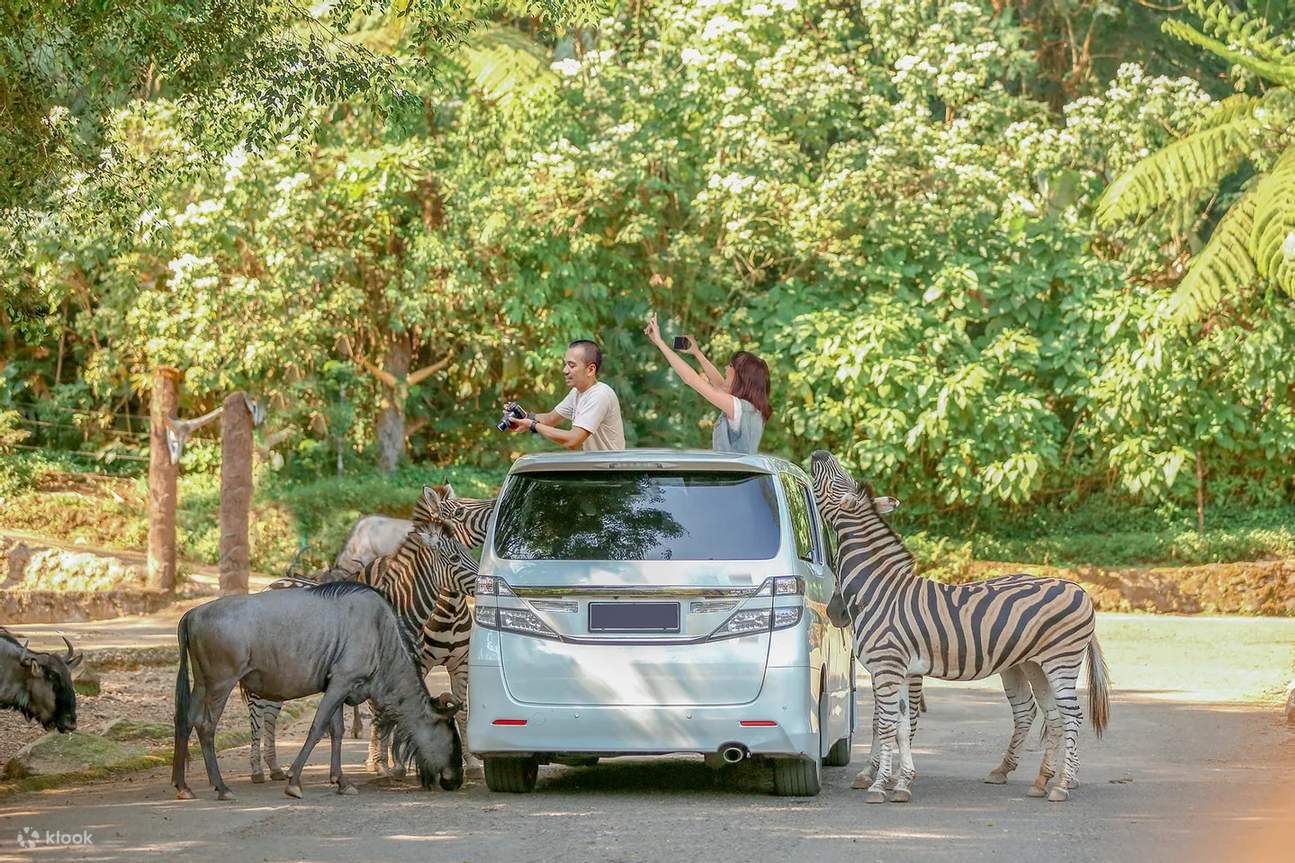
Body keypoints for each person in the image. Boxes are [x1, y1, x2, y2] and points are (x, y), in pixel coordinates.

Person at [644, 313, 771, 453]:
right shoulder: (750, 410)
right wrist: (697, 353)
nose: (726, 368)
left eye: (730, 366)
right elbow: (719, 385)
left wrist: (661, 343)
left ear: (740, 376)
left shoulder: (739, 408)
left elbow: (691, 379)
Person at [508, 339, 625, 451]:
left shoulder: (600, 395)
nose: (565, 370)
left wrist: (532, 425)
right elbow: (550, 418)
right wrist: (523, 417)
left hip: (611, 469)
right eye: (565, 364)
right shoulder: (577, 393)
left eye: (572, 365)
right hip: (595, 468)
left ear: (590, 369)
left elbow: (573, 441)